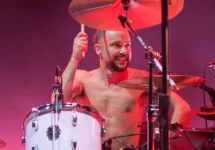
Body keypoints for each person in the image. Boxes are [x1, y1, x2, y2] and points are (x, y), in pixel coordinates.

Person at [53, 30, 191, 149]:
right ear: (98, 49)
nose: (124, 51)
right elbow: (58, 102)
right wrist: (75, 58)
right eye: (116, 45)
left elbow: (183, 108)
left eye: (127, 45)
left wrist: (167, 138)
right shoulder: (83, 79)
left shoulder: (142, 80)